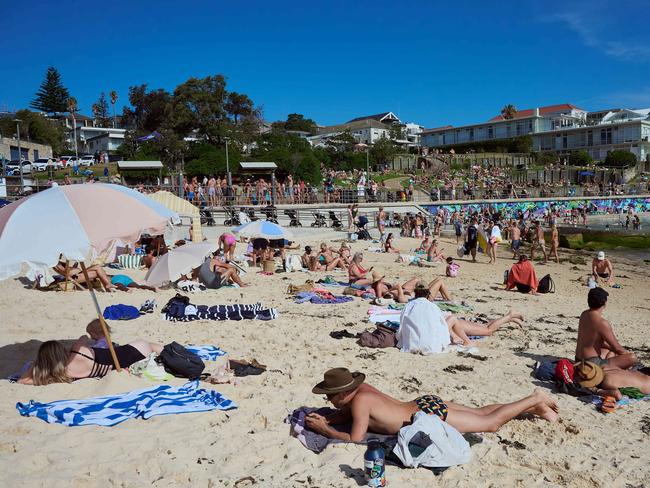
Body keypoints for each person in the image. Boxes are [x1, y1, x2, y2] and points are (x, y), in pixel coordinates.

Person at [305, 368, 558, 441]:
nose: (328, 401)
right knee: (481, 412)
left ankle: (535, 398)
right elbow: (346, 415)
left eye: (330, 396)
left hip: (426, 415)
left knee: (489, 424)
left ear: (344, 393)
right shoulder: (361, 390)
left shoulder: (359, 402)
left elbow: (355, 438)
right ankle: (534, 408)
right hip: (423, 403)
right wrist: (330, 418)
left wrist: (325, 430)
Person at [18, 334, 163, 385]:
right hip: (131, 352)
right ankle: (173, 353)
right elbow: (84, 337)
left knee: (148, 346)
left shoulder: (58, 375)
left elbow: (22, 381)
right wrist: (73, 348)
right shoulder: (77, 351)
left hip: (124, 362)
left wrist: (38, 365)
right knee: (148, 344)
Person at [575, 287, 636, 369]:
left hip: (578, 360)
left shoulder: (584, 314)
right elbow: (618, 349)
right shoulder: (602, 323)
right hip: (591, 364)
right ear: (604, 303)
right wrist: (627, 353)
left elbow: (596, 341)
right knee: (632, 358)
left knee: (609, 352)